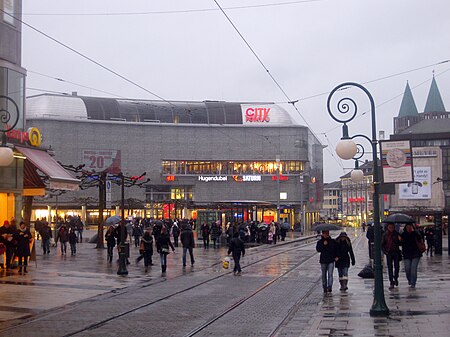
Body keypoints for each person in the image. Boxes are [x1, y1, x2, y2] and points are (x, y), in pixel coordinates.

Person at [400, 223, 423, 288]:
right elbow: (401, 243)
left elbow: (420, 239)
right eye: (408, 227)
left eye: (410, 227)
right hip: (407, 254)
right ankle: (410, 280)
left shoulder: (415, 233)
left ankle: (413, 283)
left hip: (416, 253)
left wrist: (415, 232)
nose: (409, 228)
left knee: (413, 268)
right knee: (407, 268)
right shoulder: (403, 235)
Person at [381, 223, 402, 289]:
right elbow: (382, 244)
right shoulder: (385, 235)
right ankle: (391, 282)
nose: (391, 229)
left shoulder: (396, 234)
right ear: (388, 228)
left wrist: (400, 240)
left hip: (396, 252)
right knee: (389, 267)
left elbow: (400, 243)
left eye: (392, 227)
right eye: (390, 227)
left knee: (397, 266)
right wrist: (385, 252)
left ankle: (395, 277)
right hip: (389, 252)